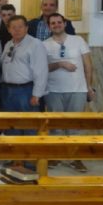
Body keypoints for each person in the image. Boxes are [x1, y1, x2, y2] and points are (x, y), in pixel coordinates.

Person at [43, 12, 95, 172]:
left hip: (77, 89)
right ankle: (56, 156)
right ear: (49, 26)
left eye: (59, 22)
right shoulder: (44, 44)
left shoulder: (78, 40)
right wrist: (60, 64)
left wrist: (89, 87)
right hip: (53, 91)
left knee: (74, 126)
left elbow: (88, 65)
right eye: (53, 23)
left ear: (64, 24)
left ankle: (75, 158)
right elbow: (42, 68)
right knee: (55, 126)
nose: (56, 25)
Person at [0, 15, 48, 137]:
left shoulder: (35, 44)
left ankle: (29, 149)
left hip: (26, 90)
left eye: (20, 27)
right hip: (7, 90)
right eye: (13, 27)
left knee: (29, 125)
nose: (17, 30)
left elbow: (41, 71)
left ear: (26, 28)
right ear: (9, 29)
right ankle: (14, 149)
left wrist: (37, 94)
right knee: (11, 125)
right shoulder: (8, 44)